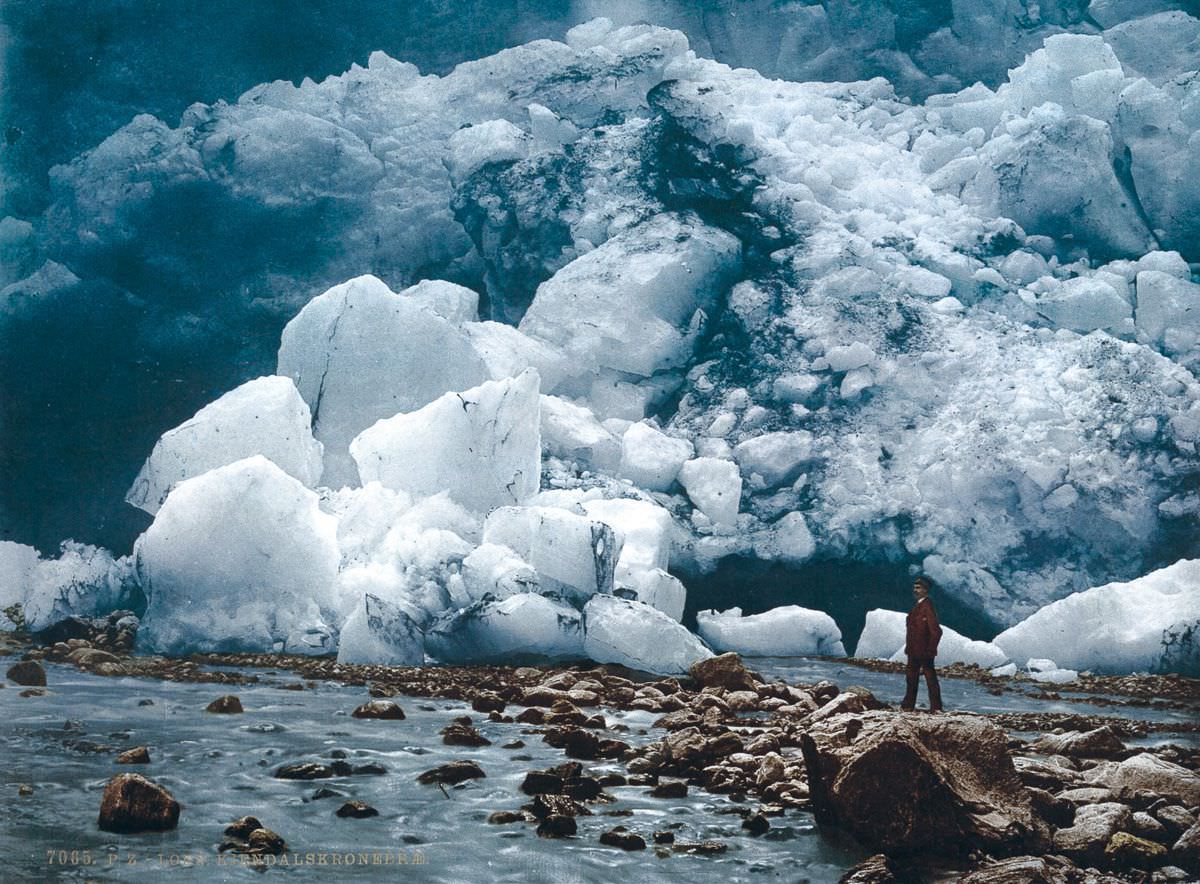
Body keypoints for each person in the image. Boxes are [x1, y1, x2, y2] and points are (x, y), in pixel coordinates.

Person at [900, 575, 943, 712]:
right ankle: (909, 705)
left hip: (923, 651)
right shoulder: (920, 605)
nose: (915, 590)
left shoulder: (927, 606)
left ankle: (935, 707)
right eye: (914, 588)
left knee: (928, 679)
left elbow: (936, 630)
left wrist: (930, 650)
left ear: (926, 590)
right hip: (914, 650)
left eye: (918, 588)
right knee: (912, 678)